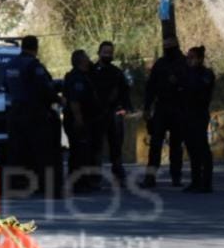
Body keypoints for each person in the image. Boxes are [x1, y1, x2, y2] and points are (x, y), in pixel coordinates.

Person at [4, 35, 62, 197]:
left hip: (15, 113)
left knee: (16, 152)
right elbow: (45, 89)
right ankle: (49, 188)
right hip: (35, 113)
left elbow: (6, 87)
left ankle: (13, 187)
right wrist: (58, 99)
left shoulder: (10, 65)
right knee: (44, 152)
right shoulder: (34, 66)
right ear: (36, 48)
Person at [142, 41, 187, 189]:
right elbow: (151, 87)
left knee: (176, 145)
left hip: (179, 107)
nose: (167, 48)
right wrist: (147, 107)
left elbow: (190, 84)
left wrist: (179, 83)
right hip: (161, 107)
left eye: (170, 45)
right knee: (155, 144)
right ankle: (150, 177)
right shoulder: (160, 63)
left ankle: (176, 176)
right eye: (165, 45)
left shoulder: (184, 63)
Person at [89, 41, 132, 184]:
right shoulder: (91, 71)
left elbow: (125, 92)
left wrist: (124, 108)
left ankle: (118, 173)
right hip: (96, 114)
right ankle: (95, 176)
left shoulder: (116, 72)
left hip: (114, 114)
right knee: (96, 146)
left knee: (116, 145)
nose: (107, 55)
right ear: (99, 53)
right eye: (105, 52)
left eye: (110, 52)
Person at [63, 49, 100, 193]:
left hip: (86, 119)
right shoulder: (76, 78)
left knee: (84, 151)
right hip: (79, 120)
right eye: (86, 57)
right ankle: (78, 182)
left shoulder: (86, 76)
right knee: (79, 152)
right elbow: (74, 101)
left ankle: (83, 180)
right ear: (81, 61)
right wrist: (79, 119)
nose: (89, 59)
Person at [181, 46, 216, 194]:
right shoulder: (187, 73)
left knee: (202, 147)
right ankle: (195, 181)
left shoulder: (206, 73)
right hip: (187, 113)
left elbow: (198, 88)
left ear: (200, 59)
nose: (189, 60)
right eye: (187, 58)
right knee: (191, 148)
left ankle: (206, 182)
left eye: (192, 58)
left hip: (199, 113)